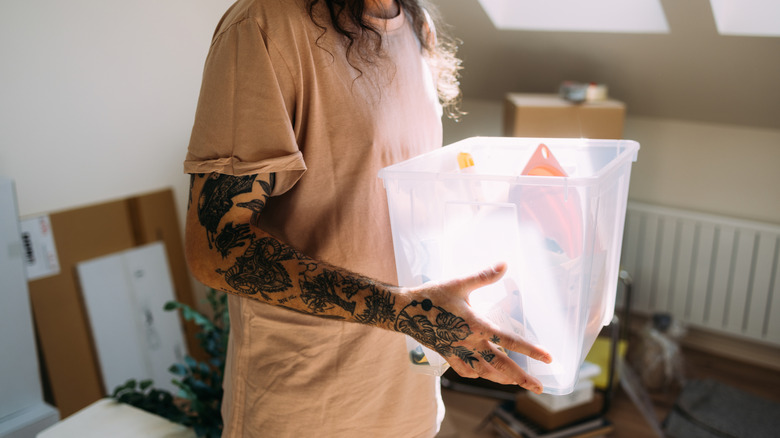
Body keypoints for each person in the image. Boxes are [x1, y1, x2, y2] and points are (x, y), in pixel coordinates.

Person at [183, 0, 552, 436]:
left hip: (409, 392)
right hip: (307, 403)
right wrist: (401, 310)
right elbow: (213, 248)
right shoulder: (265, 25)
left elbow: (388, 197)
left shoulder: (416, 24)